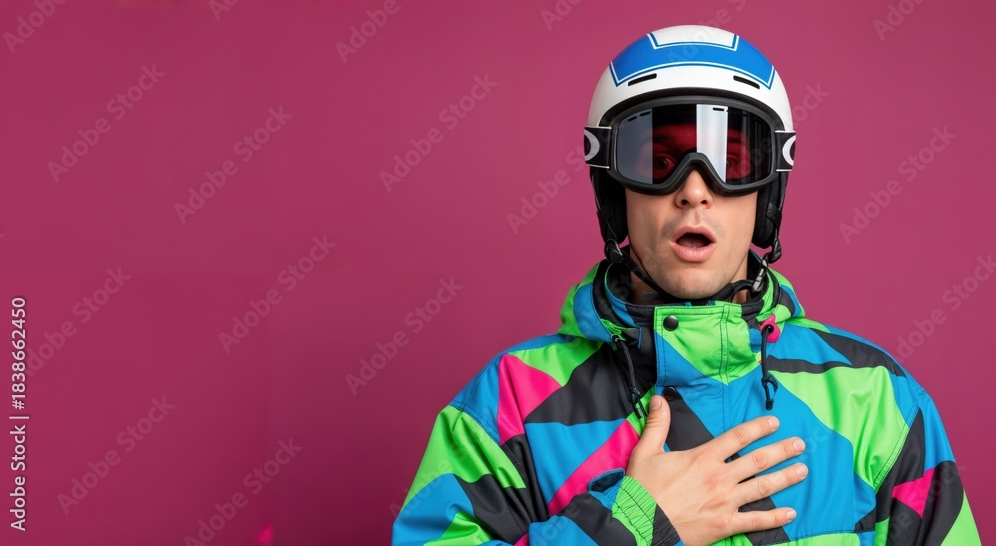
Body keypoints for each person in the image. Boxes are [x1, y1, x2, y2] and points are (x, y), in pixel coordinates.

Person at [392, 25, 980, 545]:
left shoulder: (874, 400)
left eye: (732, 161)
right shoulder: (511, 407)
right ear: (614, 192)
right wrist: (629, 527)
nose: (694, 190)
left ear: (767, 194)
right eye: (657, 161)